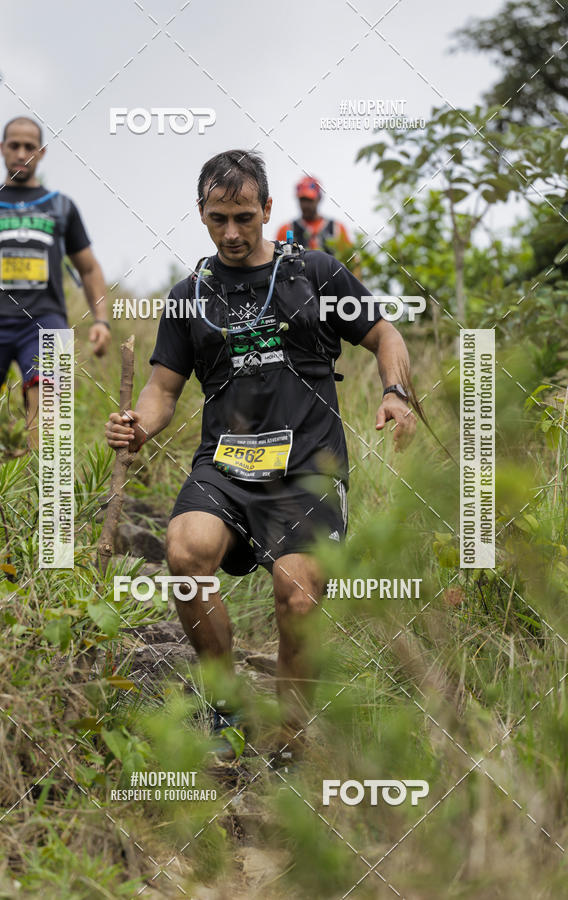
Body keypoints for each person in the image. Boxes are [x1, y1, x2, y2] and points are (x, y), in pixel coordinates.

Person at [105, 150, 416, 765]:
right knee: (185, 553)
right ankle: (224, 701)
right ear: (201, 214)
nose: (232, 232)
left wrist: (396, 393)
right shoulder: (189, 295)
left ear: (268, 210)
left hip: (308, 469)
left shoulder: (318, 274)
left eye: (244, 217)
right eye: (218, 218)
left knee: (298, 599)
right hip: (226, 468)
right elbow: (163, 389)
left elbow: (385, 334)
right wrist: (140, 424)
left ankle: (291, 736)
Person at [0, 116, 111, 443]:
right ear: (2, 149)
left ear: (41, 152)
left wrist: (101, 320)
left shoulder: (60, 206)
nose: (21, 153)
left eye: (29, 147)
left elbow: (88, 268)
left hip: (46, 322)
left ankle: (46, 492)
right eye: (14, 146)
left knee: (51, 421)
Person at [276, 174, 352, 254]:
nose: (305, 205)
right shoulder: (286, 230)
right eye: (302, 200)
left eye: (309, 200)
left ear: (319, 198)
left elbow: (349, 259)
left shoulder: (337, 229)